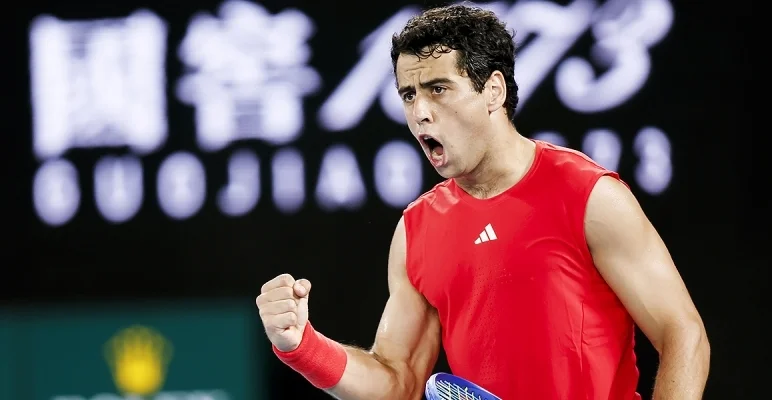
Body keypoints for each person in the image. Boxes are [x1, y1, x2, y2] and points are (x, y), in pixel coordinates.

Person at [256, 4, 710, 399]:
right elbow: (399, 381)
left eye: (438, 89)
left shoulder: (588, 194)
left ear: (493, 91)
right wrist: (302, 345)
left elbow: (682, 334)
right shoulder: (418, 228)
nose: (420, 112)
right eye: (409, 95)